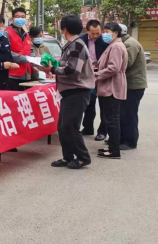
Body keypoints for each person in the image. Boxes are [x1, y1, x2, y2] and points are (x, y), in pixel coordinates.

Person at [40, 15, 95, 170]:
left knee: (71, 126)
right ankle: (67, 157)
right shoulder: (71, 44)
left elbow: (72, 70)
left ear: (64, 29)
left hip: (77, 91)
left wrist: (52, 69)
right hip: (70, 91)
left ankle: (83, 158)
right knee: (63, 126)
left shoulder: (77, 45)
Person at [95, 22, 128, 159]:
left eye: (107, 31)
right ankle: (112, 147)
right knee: (110, 118)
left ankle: (114, 150)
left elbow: (113, 67)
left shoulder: (116, 46)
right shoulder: (113, 45)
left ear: (115, 33)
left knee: (112, 119)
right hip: (110, 86)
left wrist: (97, 74)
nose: (104, 34)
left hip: (112, 87)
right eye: (104, 31)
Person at [118, 23, 147, 150]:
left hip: (133, 85)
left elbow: (125, 64)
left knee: (129, 114)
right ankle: (121, 138)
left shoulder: (130, 44)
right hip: (128, 84)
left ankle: (130, 141)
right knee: (122, 113)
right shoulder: (125, 43)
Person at [80, 19, 109, 140]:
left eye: (98, 32)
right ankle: (87, 128)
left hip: (102, 75)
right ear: (87, 31)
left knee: (104, 105)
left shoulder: (105, 40)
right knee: (89, 103)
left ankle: (102, 132)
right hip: (88, 75)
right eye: (93, 33)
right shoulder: (81, 40)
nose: (96, 35)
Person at [4, 8, 32, 90]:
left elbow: (29, 51)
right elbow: (6, 52)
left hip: (27, 74)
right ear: (12, 19)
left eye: (23, 17)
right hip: (13, 75)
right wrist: (25, 59)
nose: (20, 19)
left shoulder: (26, 34)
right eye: (17, 17)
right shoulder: (6, 32)